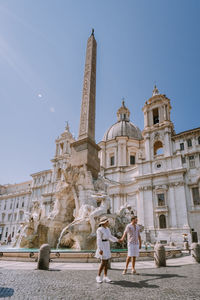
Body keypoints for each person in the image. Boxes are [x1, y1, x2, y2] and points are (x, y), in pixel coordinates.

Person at [95, 216, 120, 283]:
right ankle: (98, 276)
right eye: (107, 221)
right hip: (102, 245)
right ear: (103, 222)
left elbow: (110, 237)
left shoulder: (107, 229)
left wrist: (117, 240)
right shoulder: (99, 229)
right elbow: (99, 239)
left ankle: (105, 276)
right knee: (103, 262)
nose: (108, 222)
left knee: (106, 261)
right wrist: (100, 249)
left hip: (107, 244)